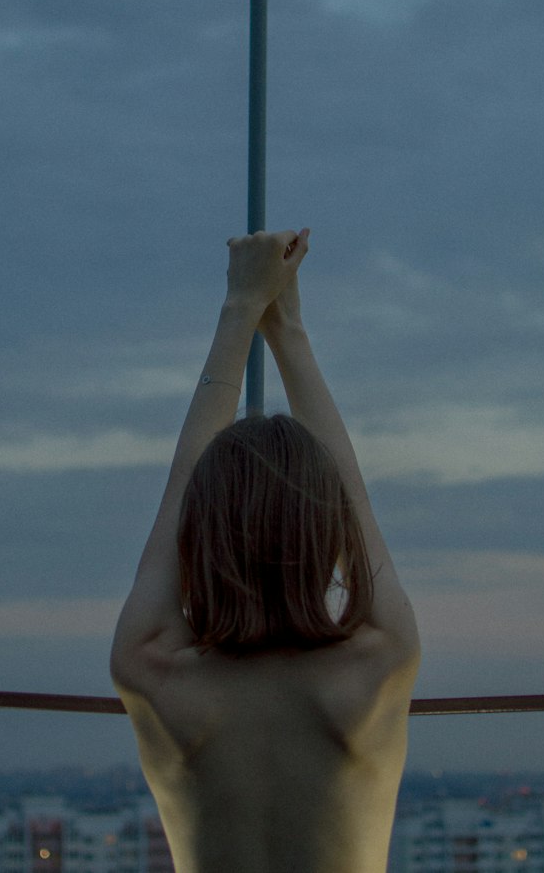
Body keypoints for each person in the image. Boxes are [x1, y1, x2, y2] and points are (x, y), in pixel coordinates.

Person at [110, 229, 421, 873]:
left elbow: (178, 497)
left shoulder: (154, 673)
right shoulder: (377, 667)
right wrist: (288, 330)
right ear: (327, 532)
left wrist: (239, 310)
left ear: (199, 533)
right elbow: (356, 506)